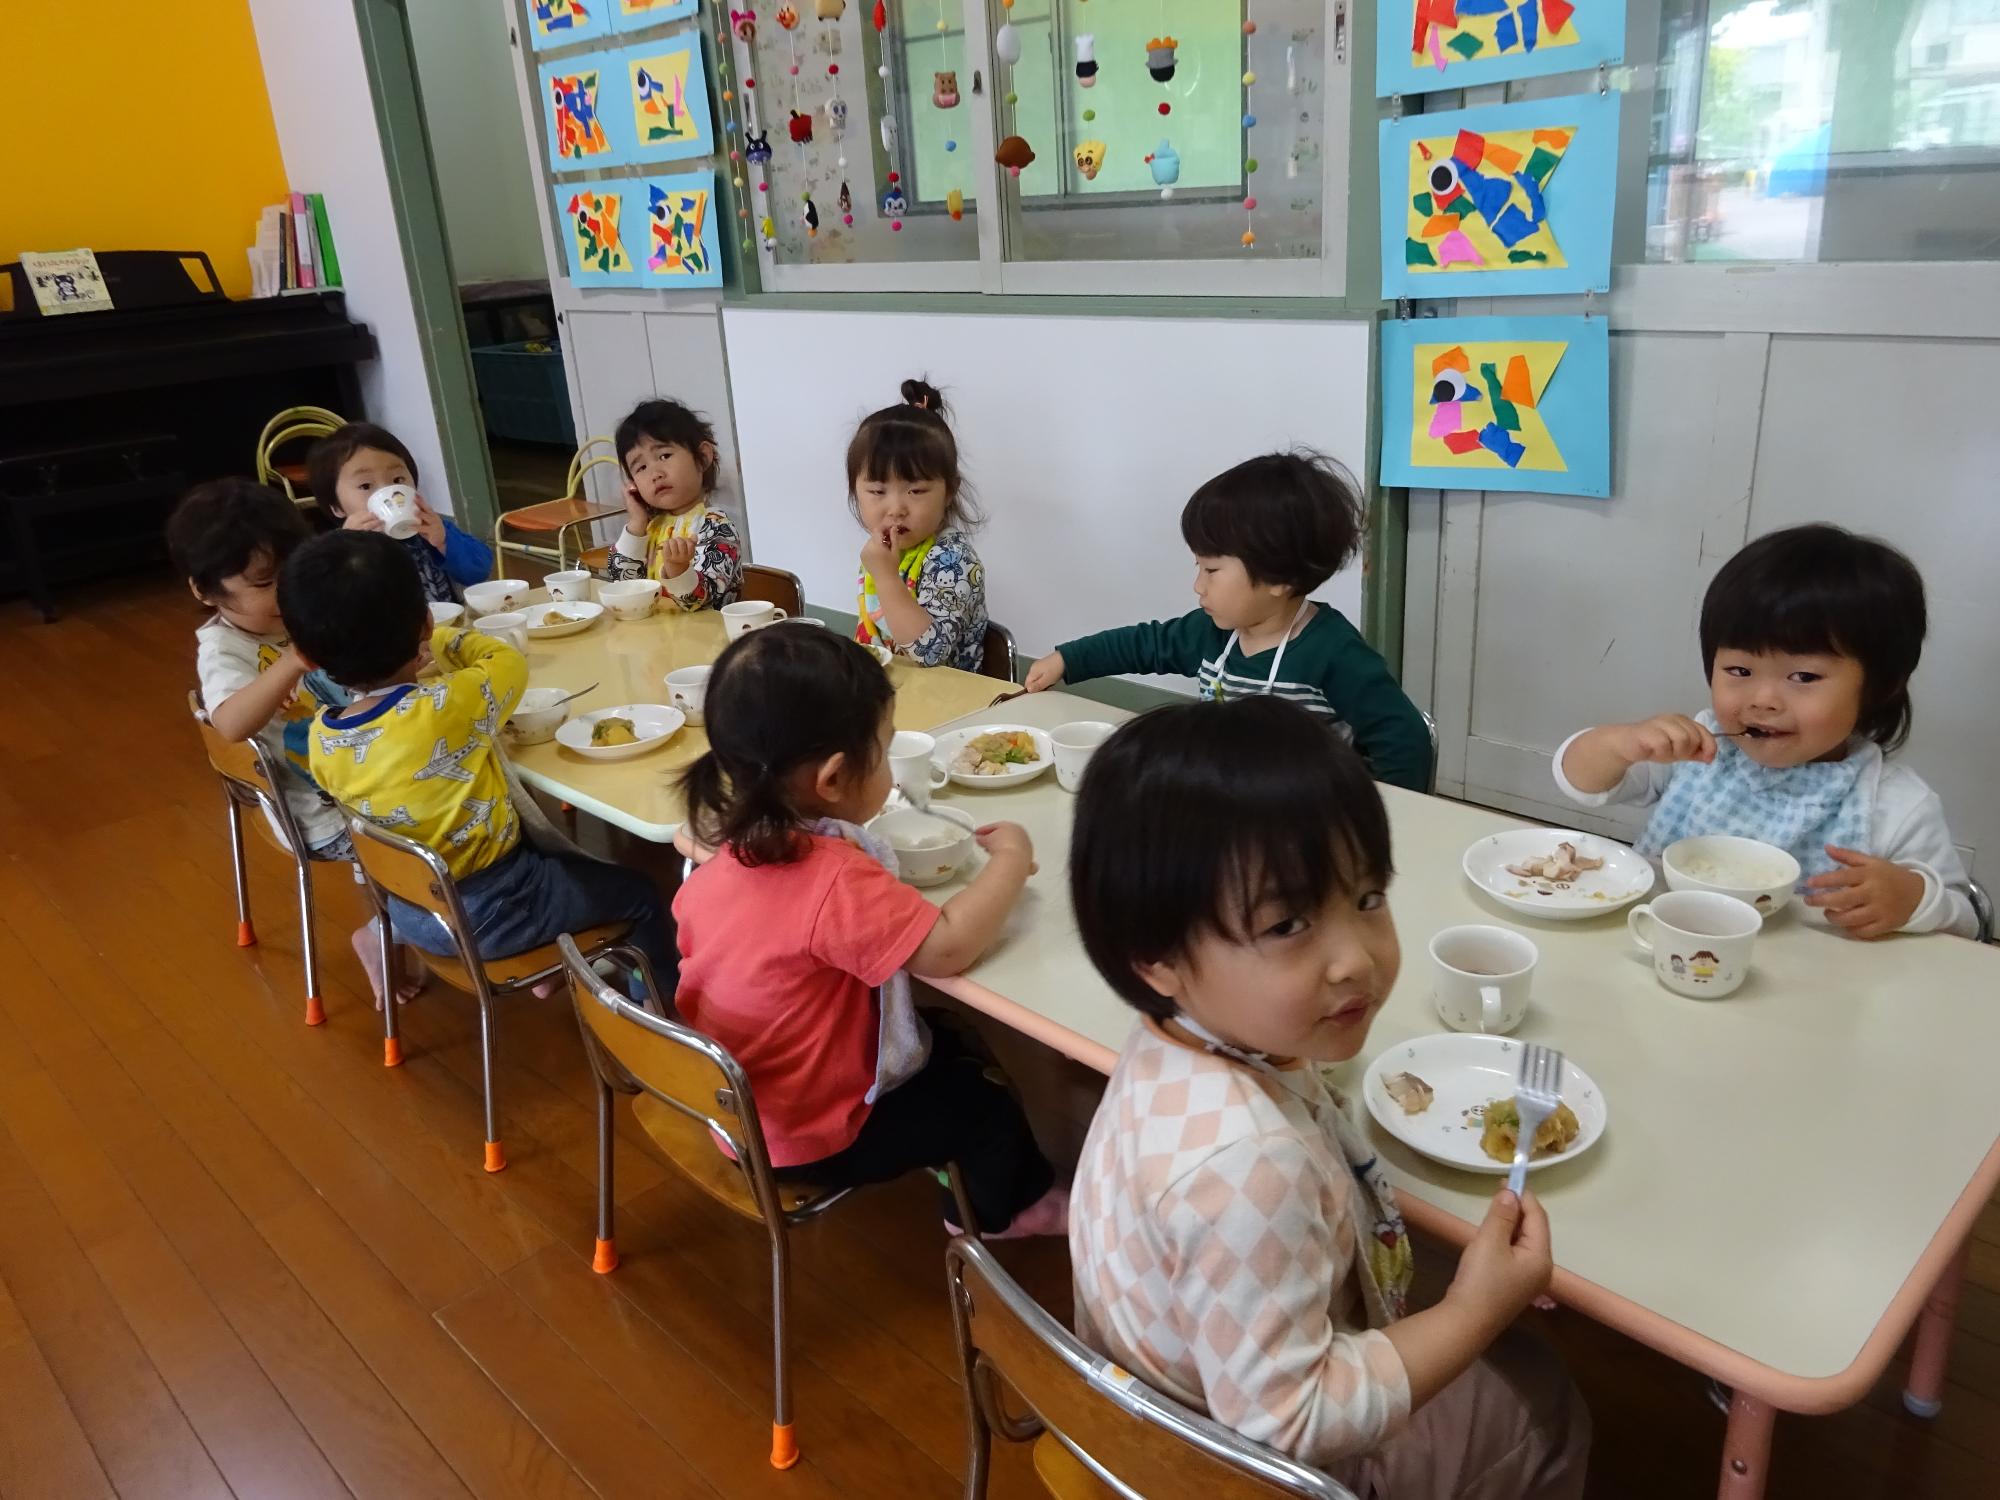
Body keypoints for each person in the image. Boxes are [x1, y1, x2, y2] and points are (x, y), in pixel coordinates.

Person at [1068, 698, 1588, 1495]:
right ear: (1157, 956)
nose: (1357, 959)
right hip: (1233, 1468)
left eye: (1369, 899)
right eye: (1287, 925)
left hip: (1155, 1388)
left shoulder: (1174, 1033)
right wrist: (1475, 1312)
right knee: (1543, 1400)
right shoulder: (1249, 1167)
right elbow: (1290, 1423)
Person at [673, 625, 1065, 1237]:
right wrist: (1012, 862)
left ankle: (966, 1179)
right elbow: (947, 948)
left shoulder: (721, 858)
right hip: (805, 1136)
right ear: (831, 780)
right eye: (882, 751)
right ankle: (1005, 1212)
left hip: (733, 1108)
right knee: (978, 1102)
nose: (888, 767)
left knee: (951, 1036)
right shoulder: (832, 877)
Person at [280, 531, 676, 992]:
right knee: (643, 894)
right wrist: (445, 637)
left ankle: (549, 967)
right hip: (496, 910)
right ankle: (655, 1011)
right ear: (424, 623)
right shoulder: (447, 705)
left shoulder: (320, 738)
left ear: (306, 657)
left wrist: (418, 635)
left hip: (412, 909)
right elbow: (504, 659)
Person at [1555, 523, 1975, 939]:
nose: (1763, 699)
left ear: (1879, 686)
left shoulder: (1895, 804)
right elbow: (1579, 783)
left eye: (1804, 677)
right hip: (1665, 948)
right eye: (1740, 670)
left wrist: (1912, 899)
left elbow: (1965, 921)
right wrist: (1619, 744)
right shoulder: (1697, 749)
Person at [1023, 451, 1432, 792]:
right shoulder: (1212, 633)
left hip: (1307, 814)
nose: (1197, 586)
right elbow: (1142, 643)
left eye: (1212, 571)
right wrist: (1067, 658)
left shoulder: (1333, 652)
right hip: (1234, 800)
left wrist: (1381, 817)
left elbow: (1405, 740)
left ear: (1278, 578)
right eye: (1198, 566)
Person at [171, 478, 354, 858]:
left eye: (293, 572)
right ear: (203, 591)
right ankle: (405, 915)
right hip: (323, 818)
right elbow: (231, 725)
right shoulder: (224, 650)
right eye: (265, 582)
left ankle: (386, 917)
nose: (285, 591)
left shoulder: (296, 609)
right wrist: (291, 663)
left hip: (360, 771)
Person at [847, 379, 989, 672]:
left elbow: (930, 653)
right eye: (877, 491)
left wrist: (886, 577)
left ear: (949, 491)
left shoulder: (953, 561)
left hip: (949, 703)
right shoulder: (883, 551)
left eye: (916, 491)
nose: (896, 509)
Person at [307, 421, 494, 605]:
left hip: (443, 630)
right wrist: (348, 548)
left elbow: (480, 571)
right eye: (365, 485)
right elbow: (327, 604)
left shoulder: (429, 531)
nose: (389, 492)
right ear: (337, 507)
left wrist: (445, 541)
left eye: (397, 479)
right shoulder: (337, 551)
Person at [606, 398, 743, 609]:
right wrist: (636, 523)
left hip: (708, 639)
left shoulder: (716, 527)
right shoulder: (649, 529)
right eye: (641, 467)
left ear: (703, 457)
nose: (655, 474)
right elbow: (621, 583)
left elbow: (701, 601)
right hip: (653, 637)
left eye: (664, 455)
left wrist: (678, 569)